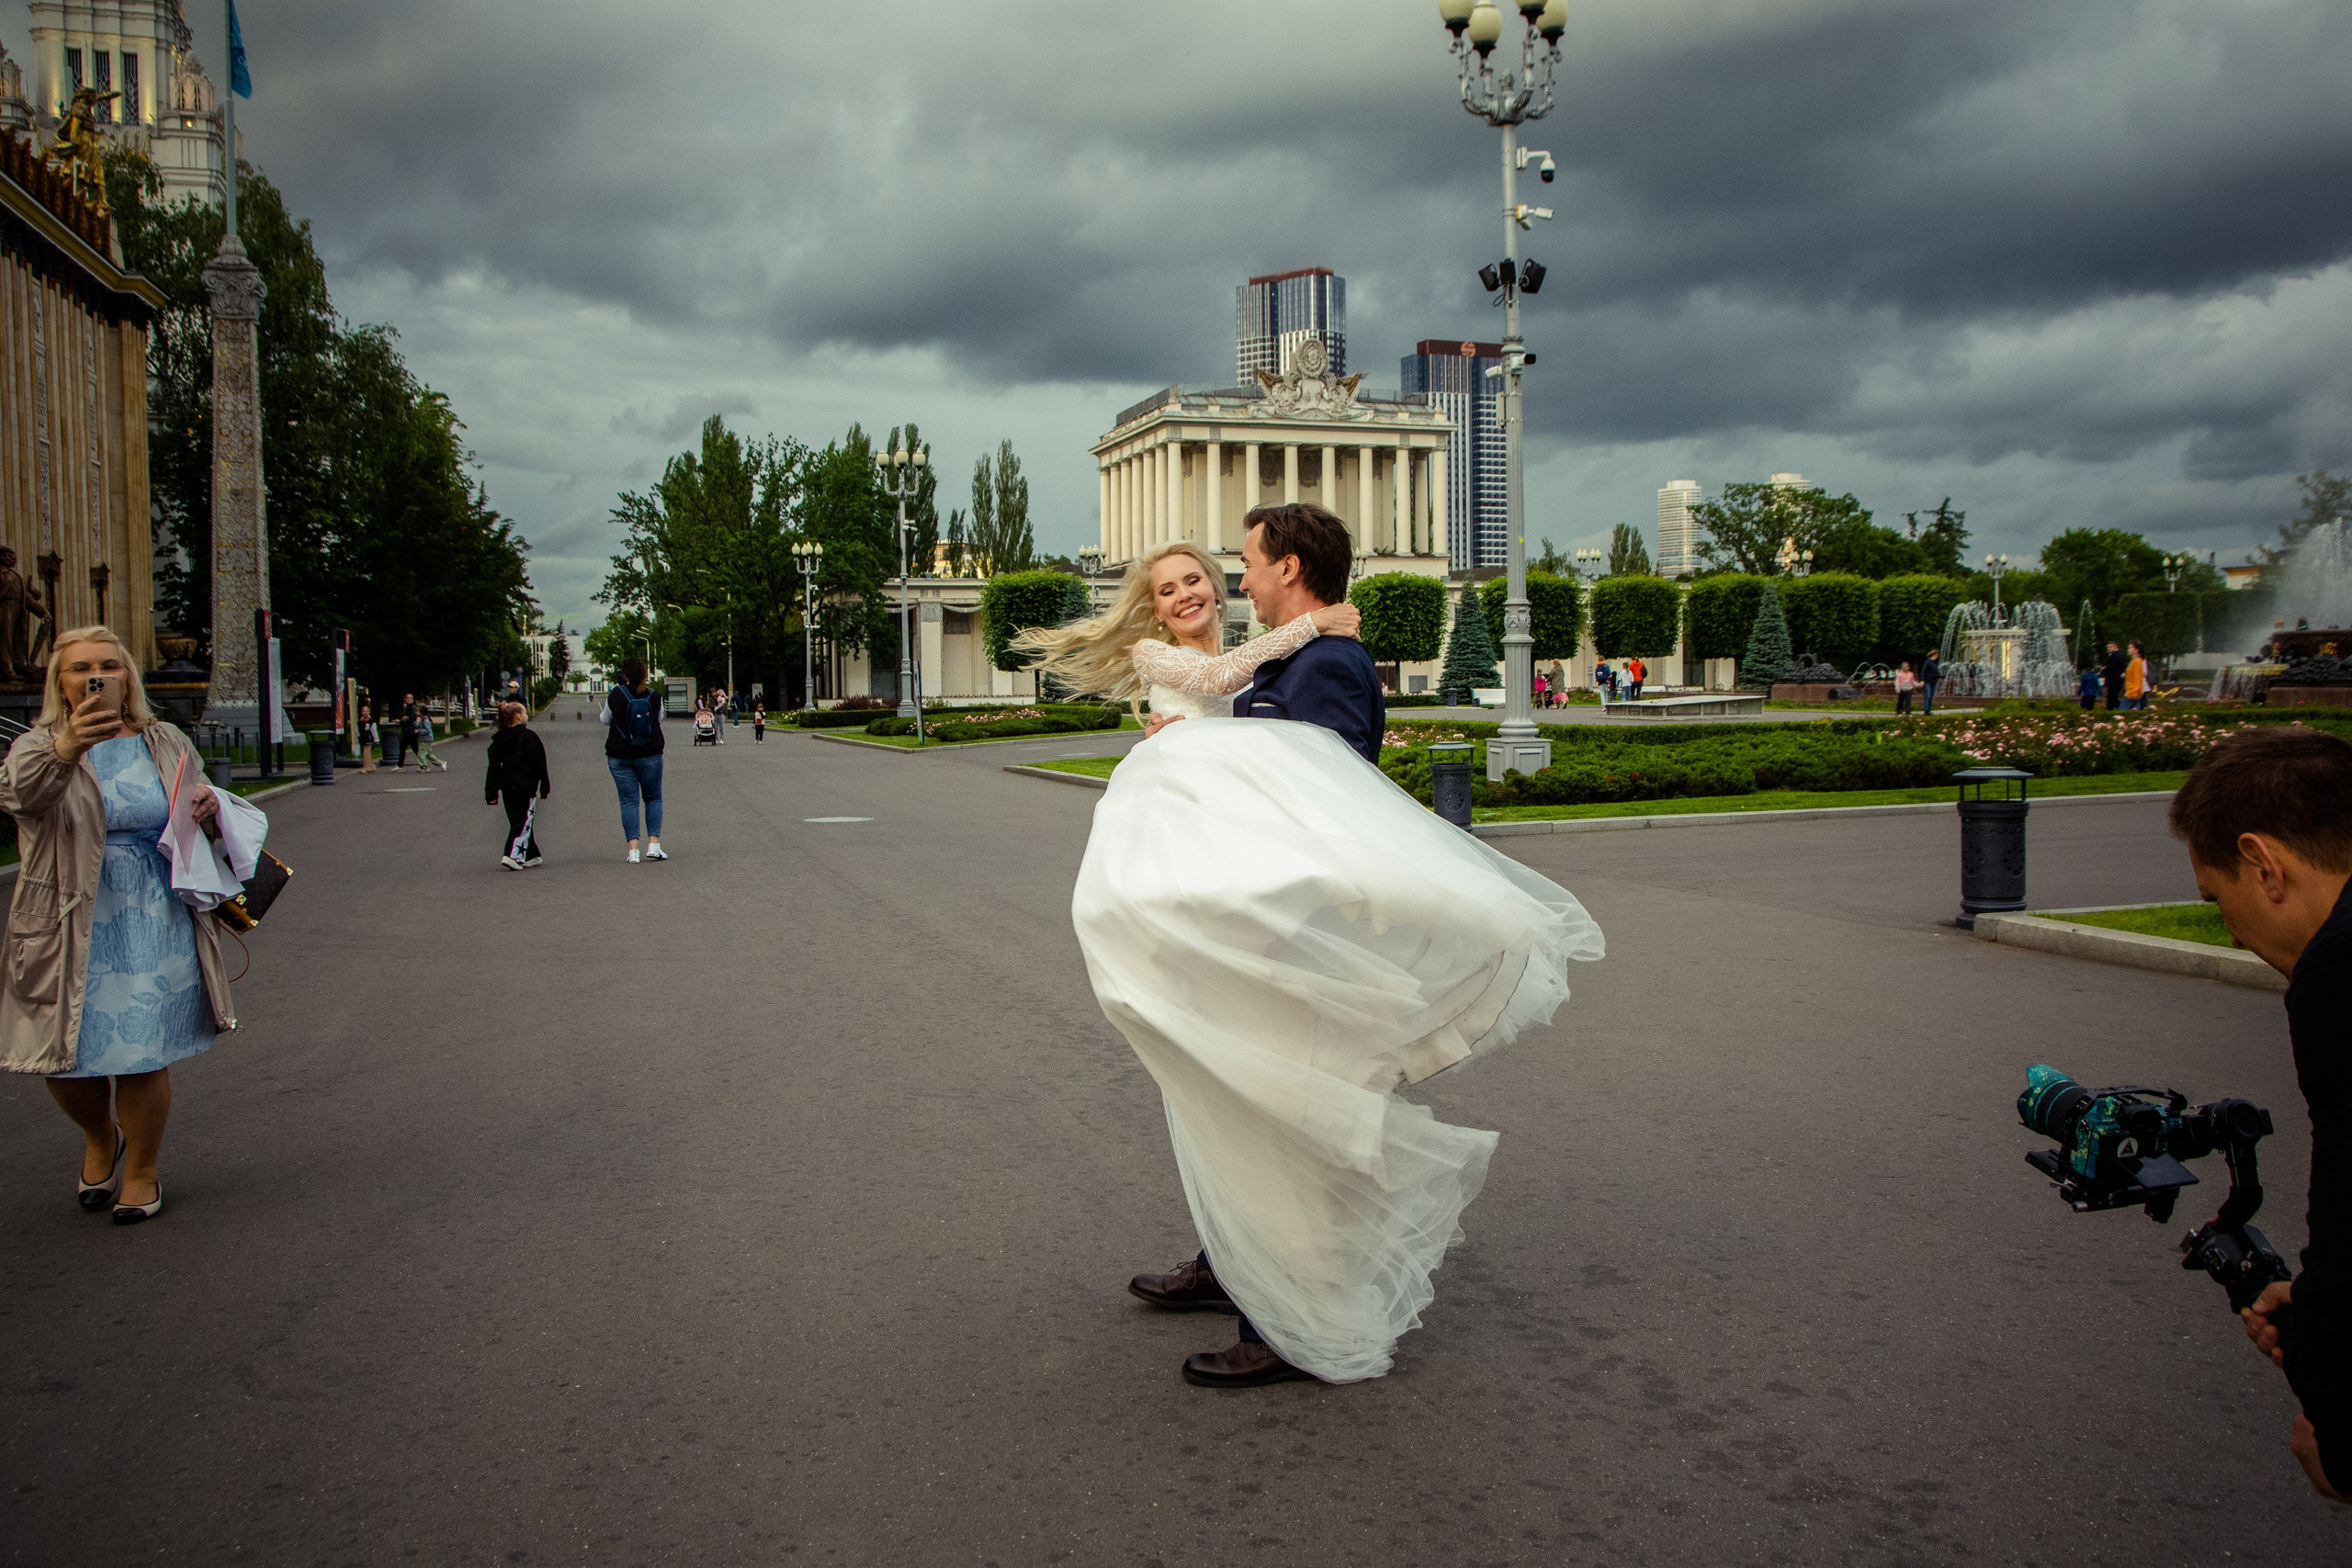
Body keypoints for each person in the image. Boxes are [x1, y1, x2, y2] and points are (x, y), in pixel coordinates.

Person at [1023, 513, 1604, 1390]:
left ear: (1284, 566)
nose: (1229, 582)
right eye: (1179, 582)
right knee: (1226, 1097)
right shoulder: (1288, 653)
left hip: (1290, 936)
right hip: (1247, 925)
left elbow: (1329, 805)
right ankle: (1234, 1255)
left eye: (1243, 565)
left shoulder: (1324, 663)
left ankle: (1287, 1320)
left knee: (1280, 1113)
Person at [2170, 726, 2352, 1503]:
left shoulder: (2339, 975)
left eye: (2220, 901)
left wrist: (2338, 1419)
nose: (2233, 933)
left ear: (2264, 864)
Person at [0, 626, 237, 1224]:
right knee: (64, 1056)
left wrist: (206, 800)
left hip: (152, 914)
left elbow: (192, 788)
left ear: (128, 676)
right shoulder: (39, 743)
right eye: (80, 668)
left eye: (109, 665)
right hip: (67, 917)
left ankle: (142, 1169)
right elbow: (21, 798)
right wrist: (68, 748)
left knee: (140, 1048)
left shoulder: (163, 738)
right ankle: (100, 1136)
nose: (95, 676)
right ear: (61, 681)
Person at [605, 657, 667, 863]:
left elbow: (605, 719)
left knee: (628, 802)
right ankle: (654, 845)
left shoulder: (615, 694)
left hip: (619, 755)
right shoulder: (653, 695)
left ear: (624, 675)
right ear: (644, 673)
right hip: (650, 753)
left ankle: (633, 851)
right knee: (653, 797)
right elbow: (658, 718)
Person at [485, 701, 550, 869]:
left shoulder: (498, 740)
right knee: (523, 821)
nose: (527, 715)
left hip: (507, 787)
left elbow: (493, 768)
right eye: (525, 713)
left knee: (517, 820)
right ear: (518, 716)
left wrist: (491, 792)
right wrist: (544, 785)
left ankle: (531, 854)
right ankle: (512, 855)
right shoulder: (529, 737)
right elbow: (539, 763)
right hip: (526, 786)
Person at [411, 705, 448, 773]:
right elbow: (419, 725)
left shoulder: (426, 720)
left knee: (421, 754)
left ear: (421, 713)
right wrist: (413, 723)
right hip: (425, 739)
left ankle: (424, 766)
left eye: (417, 711)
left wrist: (418, 731)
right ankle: (441, 763)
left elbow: (428, 730)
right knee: (428, 755)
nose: (416, 712)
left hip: (426, 740)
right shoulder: (423, 720)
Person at [2101, 641, 2127, 710]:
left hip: (2113, 681)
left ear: (2116, 647)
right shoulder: (2120, 655)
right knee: (2114, 697)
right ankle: (2121, 708)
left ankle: (2114, 710)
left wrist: (2104, 669)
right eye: (2108, 647)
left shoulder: (2114, 656)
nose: (2109, 649)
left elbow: (2110, 668)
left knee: (2111, 698)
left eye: (2111, 647)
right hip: (2118, 680)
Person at [2124, 641, 2149, 710]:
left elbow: (2139, 677)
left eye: (2130, 648)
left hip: (2134, 691)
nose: (2128, 650)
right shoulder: (2134, 661)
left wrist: (2135, 691)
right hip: (2134, 690)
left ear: (2137, 650)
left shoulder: (2138, 661)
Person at [1920, 649, 1940, 715]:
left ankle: (1928, 710)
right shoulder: (1928, 662)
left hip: (1933, 681)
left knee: (1931, 695)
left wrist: (1939, 676)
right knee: (1928, 695)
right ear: (1935, 655)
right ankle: (1926, 710)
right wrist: (1922, 680)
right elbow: (1923, 671)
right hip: (1927, 681)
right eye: (1937, 654)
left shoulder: (1935, 663)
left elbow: (1935, 672)